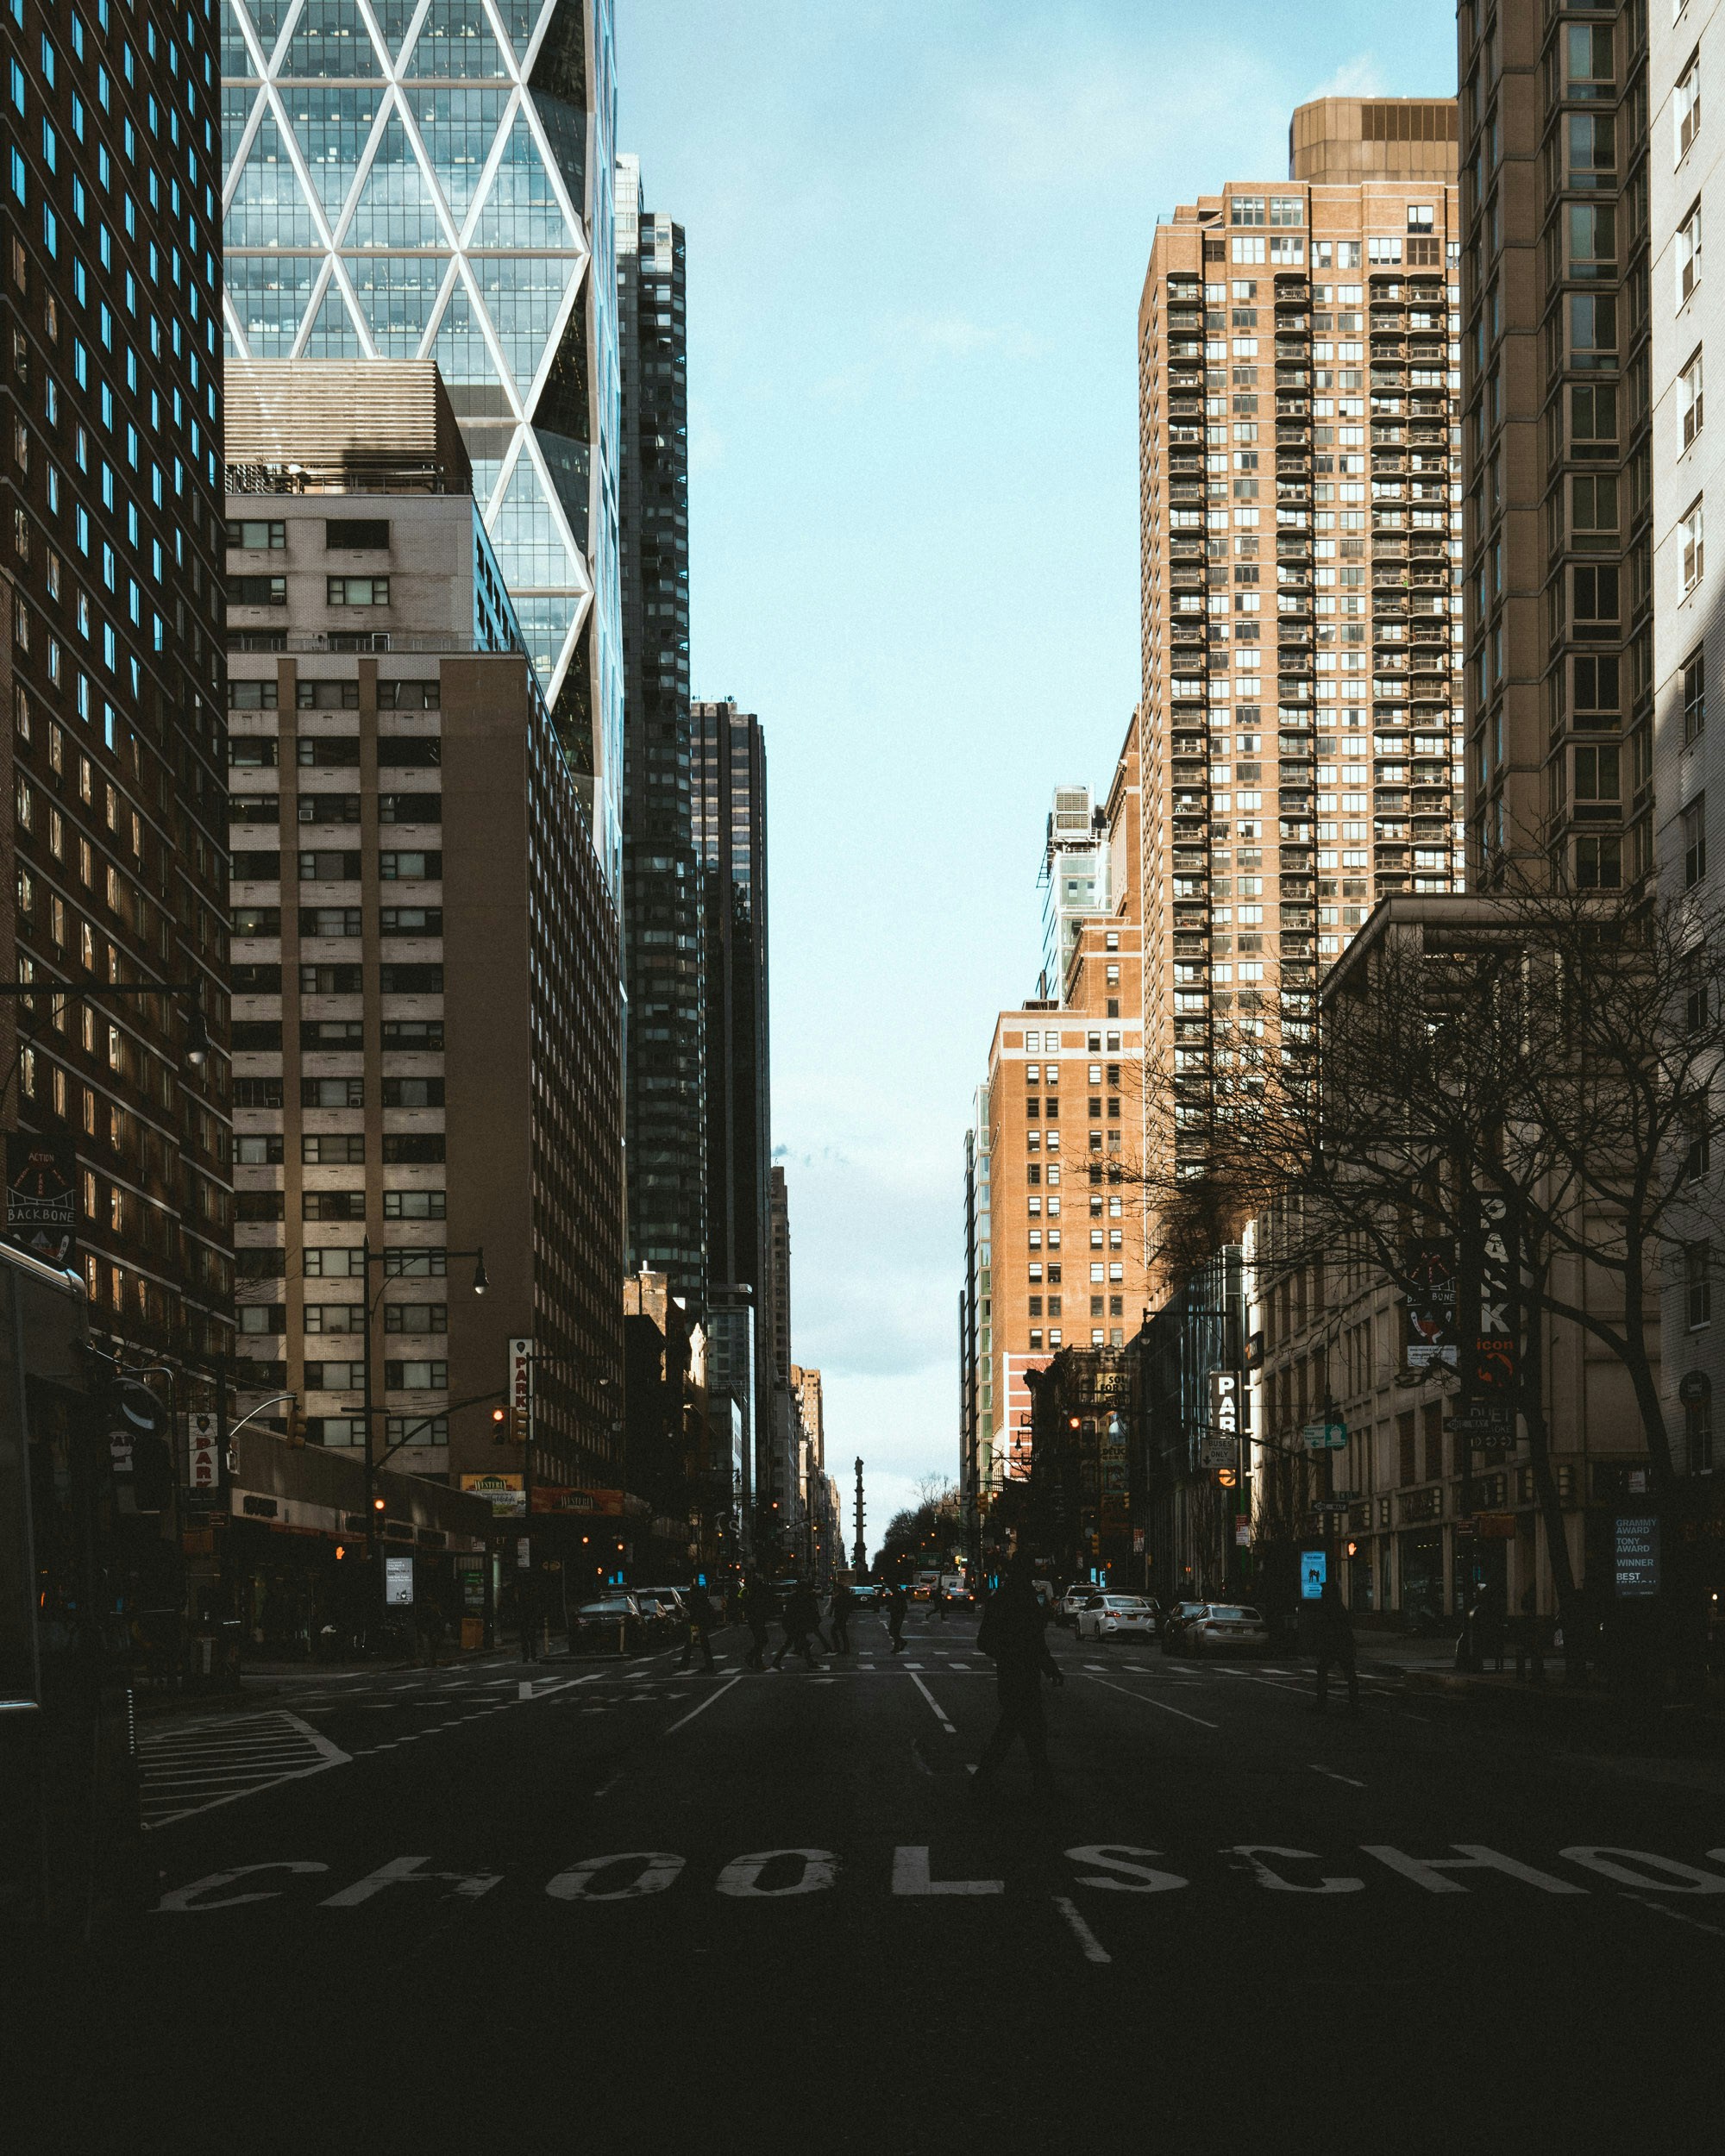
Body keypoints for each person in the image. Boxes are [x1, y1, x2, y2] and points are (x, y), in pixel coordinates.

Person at [972, 1555, 1064, 1797]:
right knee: (1024, 1729)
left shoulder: (1009, 1599)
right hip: (1019, 1674)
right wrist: (1018, 1656)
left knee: (1018, 1729)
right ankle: (1040, 1782)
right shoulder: (1014, 1600)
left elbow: (1034, 1640)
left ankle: (987, 1778)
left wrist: (1046, 1665)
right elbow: (1031, 1641)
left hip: (1017, 1673)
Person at [1313, 1578, 1358, 1713]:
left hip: (1334, 1645)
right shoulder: (1338, 1606)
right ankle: (1354, 1704)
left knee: (1324, 1671)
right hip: (1343, 1645)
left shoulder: (1329, 1607)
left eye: (1323, 1591)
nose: (1321, 1594)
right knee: (1349, 1674)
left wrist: (1321, 1643)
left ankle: (1322, 1702)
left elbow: (1326, 1627)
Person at [773, 1581, 823, 1670]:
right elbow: (803, 1611)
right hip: (796, 1624)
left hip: (793, 1624)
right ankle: (809, 1662)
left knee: (792, 1643)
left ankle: (777, 1661)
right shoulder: (801, 1598)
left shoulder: (796, 1597)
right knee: (798, 1643)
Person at [680, 1583, 718, 1673]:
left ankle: (685, 1664)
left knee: (692, 1644)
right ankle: (708, 1665)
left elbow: (696, 1613)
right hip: (701, 1625)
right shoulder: (702, 1601)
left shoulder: (697, 1602)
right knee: (699, 1645)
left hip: (698, 1625)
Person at [740, 1572, 772, 1670]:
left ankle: (753, 1658)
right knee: (762, 1639)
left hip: (756, 1619)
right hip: (756, 1619)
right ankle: (756, 1660)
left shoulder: (753, 1595)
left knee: (761, 1640)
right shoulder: (755, 1597)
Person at [828, 1579, 854, 1656]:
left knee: (835, 1631)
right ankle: (845, 1648)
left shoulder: (841, 1596)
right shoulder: (842, 1595)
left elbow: (836, 1605)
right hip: (841, 1615)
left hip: (841, 1616)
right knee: (842, 1632)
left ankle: (840, 1647)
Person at [885, 1582, 908, 1656]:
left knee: (893, 1631)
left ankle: (900, 1644)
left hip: (897, 1615)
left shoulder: (897, 1595)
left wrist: (890, 1608)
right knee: (895, 1632)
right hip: (897, 1615)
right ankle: (898, 1646)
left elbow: (897, 1605)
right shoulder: (898, 1594)